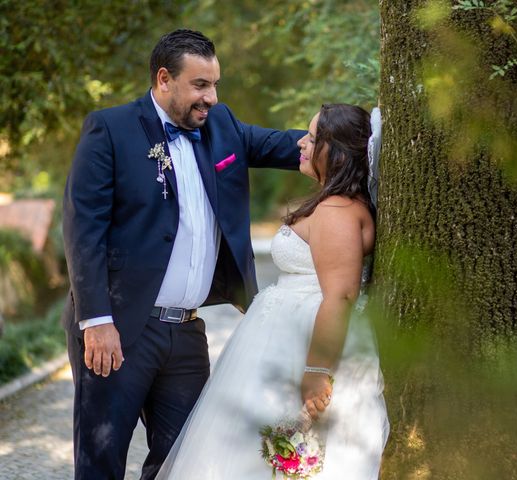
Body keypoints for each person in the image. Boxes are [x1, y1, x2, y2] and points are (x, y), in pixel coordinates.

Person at [62, 29, 304, 479]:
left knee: (184, 462)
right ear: (163, 80)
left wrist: (361, 136)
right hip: (120, 329)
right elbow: (83, 229)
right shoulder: (110, 129)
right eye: (200, 85)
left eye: (214, 85)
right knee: (102, 460)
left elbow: (290, 146)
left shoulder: (223, 125)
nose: (211, 97)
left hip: (188, 334)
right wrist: (96, 322)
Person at [156, 104, 389, 479]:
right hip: (285, 341)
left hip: (306, 348)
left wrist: (316, 372)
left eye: (313, 138)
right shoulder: (332, 203)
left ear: (338, 152)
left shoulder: (337, 211)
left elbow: (340, 296)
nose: (301, 142)